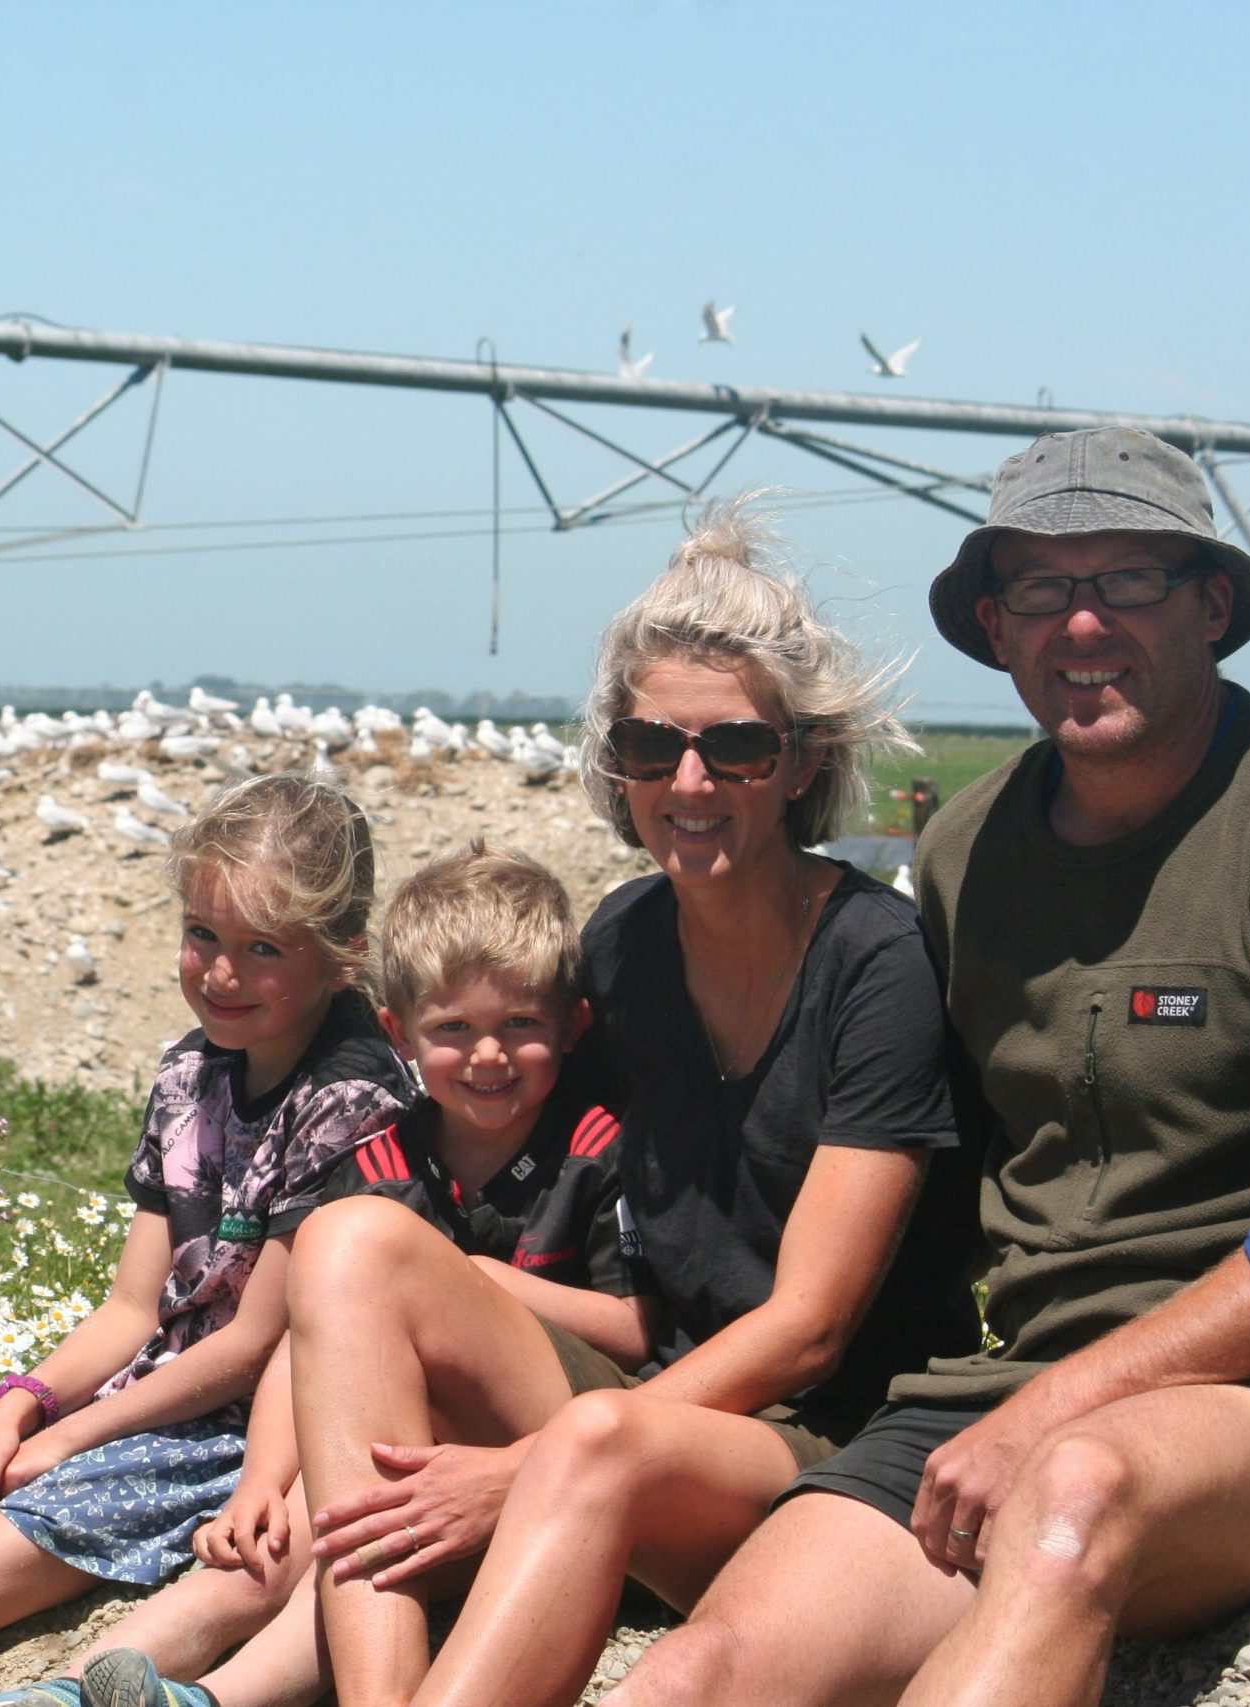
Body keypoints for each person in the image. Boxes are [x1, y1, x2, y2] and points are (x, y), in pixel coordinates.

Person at [616, 427, 1250, 1707]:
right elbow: (939, 1168)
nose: (1082, 624)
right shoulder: (973, 849)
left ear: (1210, 606)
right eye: (1041, 589)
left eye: (1125, 580)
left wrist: (1054, 1416)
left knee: (1073, 1497)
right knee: (701, 1672)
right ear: (996, 624)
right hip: (1002, 1388)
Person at [284, 500, 984, 1707]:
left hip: (823, 1437)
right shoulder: (622, 942)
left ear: (802, 763)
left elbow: (811, 1328)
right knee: (351, 1241)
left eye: (737, 749)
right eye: (655, 750)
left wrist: (535, 1468)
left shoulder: (877, 964)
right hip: (650, 1392)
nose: (692, 782)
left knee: (599, 1443)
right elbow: (523, 1156)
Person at [0, 773, 413, 1707]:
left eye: (263, 948)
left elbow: (255, 1345)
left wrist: (68, 1440)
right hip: (156, 1405)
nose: (220, 973)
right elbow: (134, 1304)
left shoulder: (351, 1100)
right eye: (202, 935)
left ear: (342, 954)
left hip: (245, 1433)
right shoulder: (189, 1073)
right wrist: (21, 1406)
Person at [56, 841, 651, 1707]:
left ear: (572, 1025)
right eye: (454, 1030)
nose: (489, 1055)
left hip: (550, 1448)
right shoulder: (380, 1156)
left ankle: (219, 1697)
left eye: (519, 1025)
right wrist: (262, 1477)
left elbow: (638, 1329)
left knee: (355, 1527)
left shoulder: (597, 1152)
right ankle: (94, 1686)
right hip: (412, 1454)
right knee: (307, 1530)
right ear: (400, 1035)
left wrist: (478, 1279)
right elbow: (310, 1338)